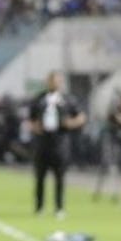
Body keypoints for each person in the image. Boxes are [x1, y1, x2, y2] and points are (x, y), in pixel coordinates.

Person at [27, 71, 85, 218]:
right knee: (40, 177)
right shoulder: (39, 99)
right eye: (52, 80)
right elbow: (30, 119)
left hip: (60, 141)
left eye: (57, 80)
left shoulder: (68, 100)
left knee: (60, 177)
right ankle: (39, 207)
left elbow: (81, 116)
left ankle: (59, 208)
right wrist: (35, 127)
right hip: (42, 141)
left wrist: (71, 123)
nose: (54, 83)